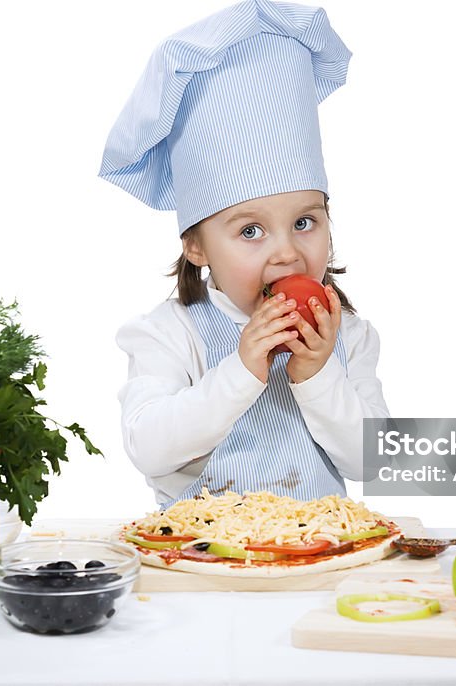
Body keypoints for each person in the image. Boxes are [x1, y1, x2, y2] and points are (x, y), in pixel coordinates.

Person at [99, 0, 389, 507]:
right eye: (251, 230)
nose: (287, 254)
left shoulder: (350, 334)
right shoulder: (170, 334)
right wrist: (241, 370)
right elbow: (147, 446)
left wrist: (319, 375)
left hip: (323, 555)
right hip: (199, 559)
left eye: (305, 222)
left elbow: (376, 460)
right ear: (195, 245)